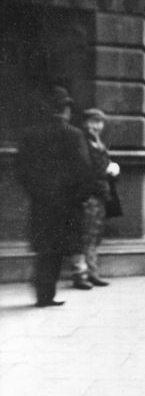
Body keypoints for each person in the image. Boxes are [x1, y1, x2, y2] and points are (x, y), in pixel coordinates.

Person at [16, 85, 93, 307]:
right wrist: (80, 198)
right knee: (58, 249)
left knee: (44, 250)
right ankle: (47, 295)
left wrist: (35, 193)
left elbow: (21, 170)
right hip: (67, 206)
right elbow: (85, 171)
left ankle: (44, 295)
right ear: (65, 110)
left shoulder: (30, 134)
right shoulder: (74, 134)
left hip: (41, 204)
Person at [71, 108, 121, 289]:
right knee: (84, 235)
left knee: (94, 235)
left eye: (99, 122)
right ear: (85, 123)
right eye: (93, 122)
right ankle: (80, 274)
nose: (96, 126)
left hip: (100, 194)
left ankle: (92, 272)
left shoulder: (97, 142)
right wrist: (106, 170)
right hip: (88, 195)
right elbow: (84, 168)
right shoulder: (83, 141)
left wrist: (112, 169)